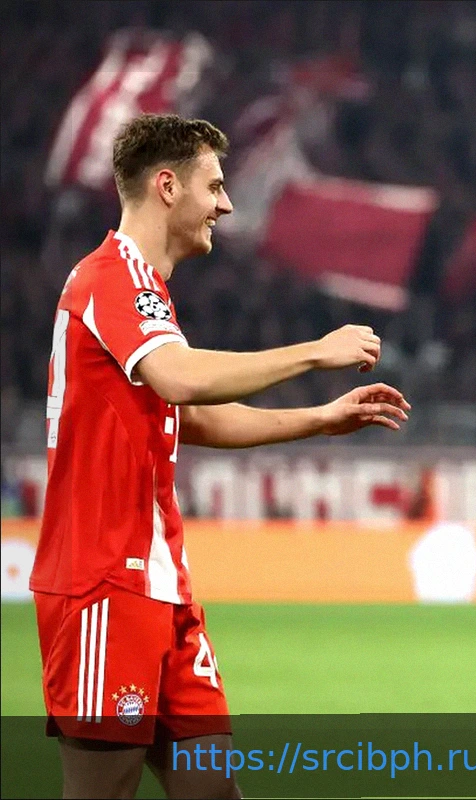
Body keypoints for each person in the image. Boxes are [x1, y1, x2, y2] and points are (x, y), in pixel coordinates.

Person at [31, 113, 410, 799]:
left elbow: (191, 414)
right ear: (167, 186)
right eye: (214, 186)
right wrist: (314, 353)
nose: (226, 204)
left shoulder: (146, 294)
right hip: (103, 586)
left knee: (211, 790)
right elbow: (181, 379)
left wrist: (319, 419)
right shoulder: (111, 277)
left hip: (163, 589)